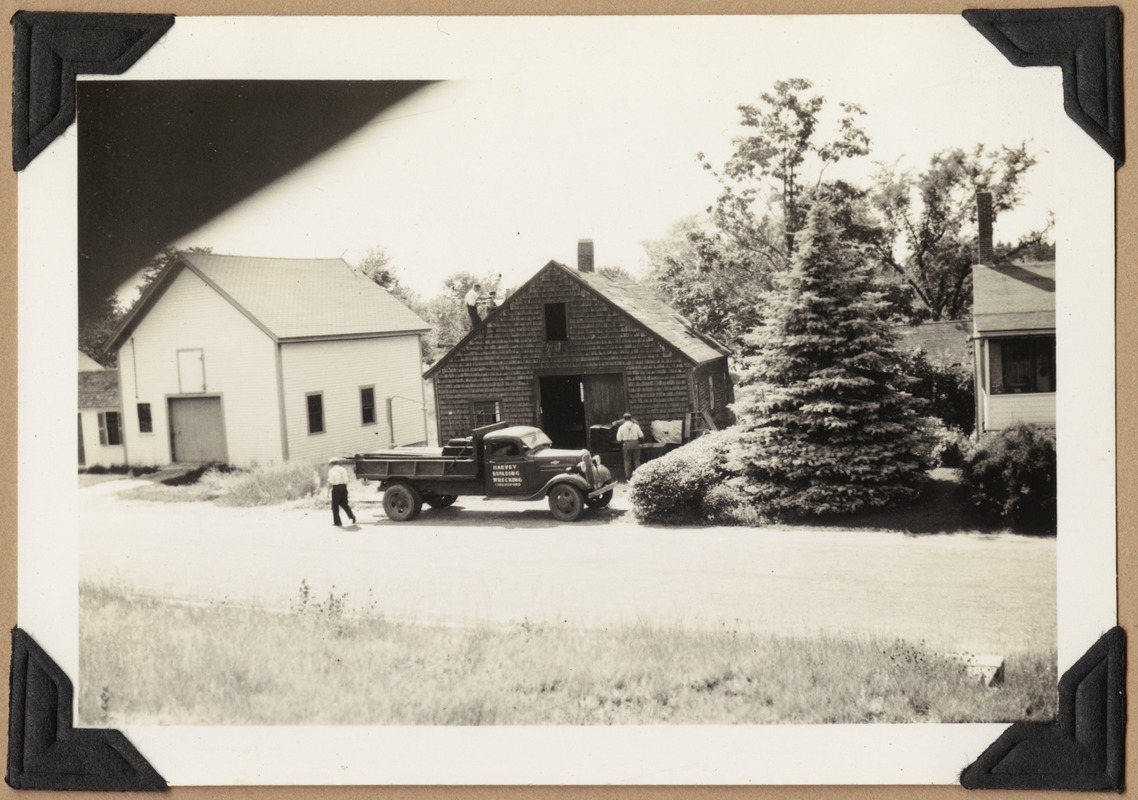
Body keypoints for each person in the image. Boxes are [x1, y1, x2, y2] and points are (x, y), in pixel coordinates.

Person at [328, 457, 356, 527]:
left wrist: (328, 491)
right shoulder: (343, 469)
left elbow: (330, 482)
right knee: (344, 504)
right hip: (344, 487)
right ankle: (352, 516)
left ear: (331, 464)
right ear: (337, 462)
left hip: (336, 488)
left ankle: (337, 522)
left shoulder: (331, 471)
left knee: (335, 506)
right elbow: (346, 479)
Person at [616, 412, 644, 480]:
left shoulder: (621, 427)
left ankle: (628, 477)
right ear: (631, 418)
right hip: (635, 443)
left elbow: (618, 439)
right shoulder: (636, 426)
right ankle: (638, 476)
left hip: (626, 444)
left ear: (624, 419)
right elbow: (641, 435)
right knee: (636, 460)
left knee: (627, 461)